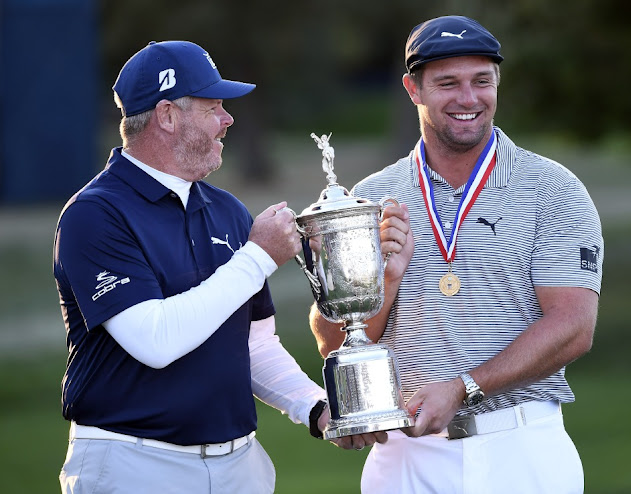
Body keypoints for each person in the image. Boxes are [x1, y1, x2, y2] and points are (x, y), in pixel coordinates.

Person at [54, 40, 384, 494]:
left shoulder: (227, 210)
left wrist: (317, 406)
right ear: (167, 116)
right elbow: (156, 340)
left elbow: (252, 345)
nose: (227, 121)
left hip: (239, 463)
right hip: (134, 464)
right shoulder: (95, 214)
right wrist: (258, 257)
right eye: (214, 108)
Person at [310, 15, 603, 494]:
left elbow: (573, 326)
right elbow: (334, 339)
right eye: (448, 83)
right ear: (413, 89)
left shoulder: (553, 189)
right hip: (405, 456)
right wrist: (384, 281)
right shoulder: (371, 197)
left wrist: (465, 387)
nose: (468, 99)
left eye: (481, 81)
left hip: (521, 447)